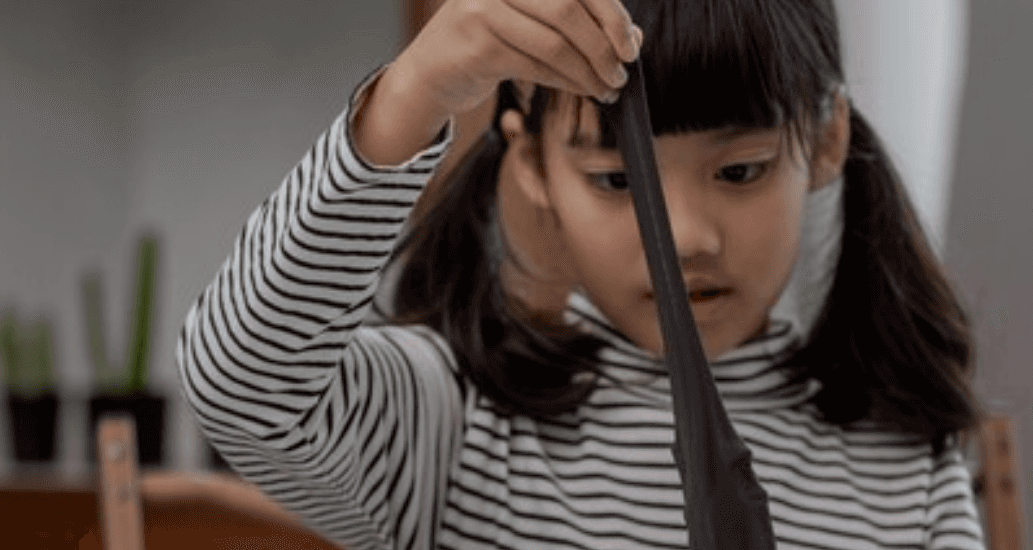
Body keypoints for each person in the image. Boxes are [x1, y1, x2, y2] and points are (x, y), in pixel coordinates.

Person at [175, 0, 985, 547]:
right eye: (618, 181)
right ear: (529, 164)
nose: (689, 238)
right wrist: (412, 97)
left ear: (829, 138)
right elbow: (241, 385)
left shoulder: (906, 465)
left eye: (740, 171)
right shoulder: (456, 424)